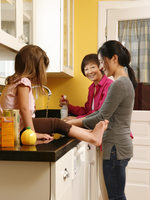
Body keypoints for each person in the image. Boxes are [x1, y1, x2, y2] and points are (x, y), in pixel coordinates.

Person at [66, 40, 137, 200]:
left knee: (116, 196)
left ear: (114, 58)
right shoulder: (123, 82)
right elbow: (100, 113)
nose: (101, 67)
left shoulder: (119, 84)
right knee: (115, 195)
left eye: (102, 62)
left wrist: (70, 124)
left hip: (115, 148)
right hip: (117, 147)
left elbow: (100, 116)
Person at [0, 44, 108, 146]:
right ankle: (92, 137)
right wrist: (32, 133)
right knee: (56, 124)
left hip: (14, 128)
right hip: (19, 127)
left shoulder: (14, 82)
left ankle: (90, 133)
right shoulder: (23, 81)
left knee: (56, 125)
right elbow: (24, 109)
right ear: (34, 67)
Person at [59, 53, 113, 120]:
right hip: (95, 125)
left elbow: (100, 113)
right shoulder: (92, 88)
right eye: (86, 69)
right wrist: (68, 106)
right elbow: (86, 111)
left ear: (101, 67)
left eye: (92, 67)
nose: (89, 72)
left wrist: (76, 119)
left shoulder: (109, 85)